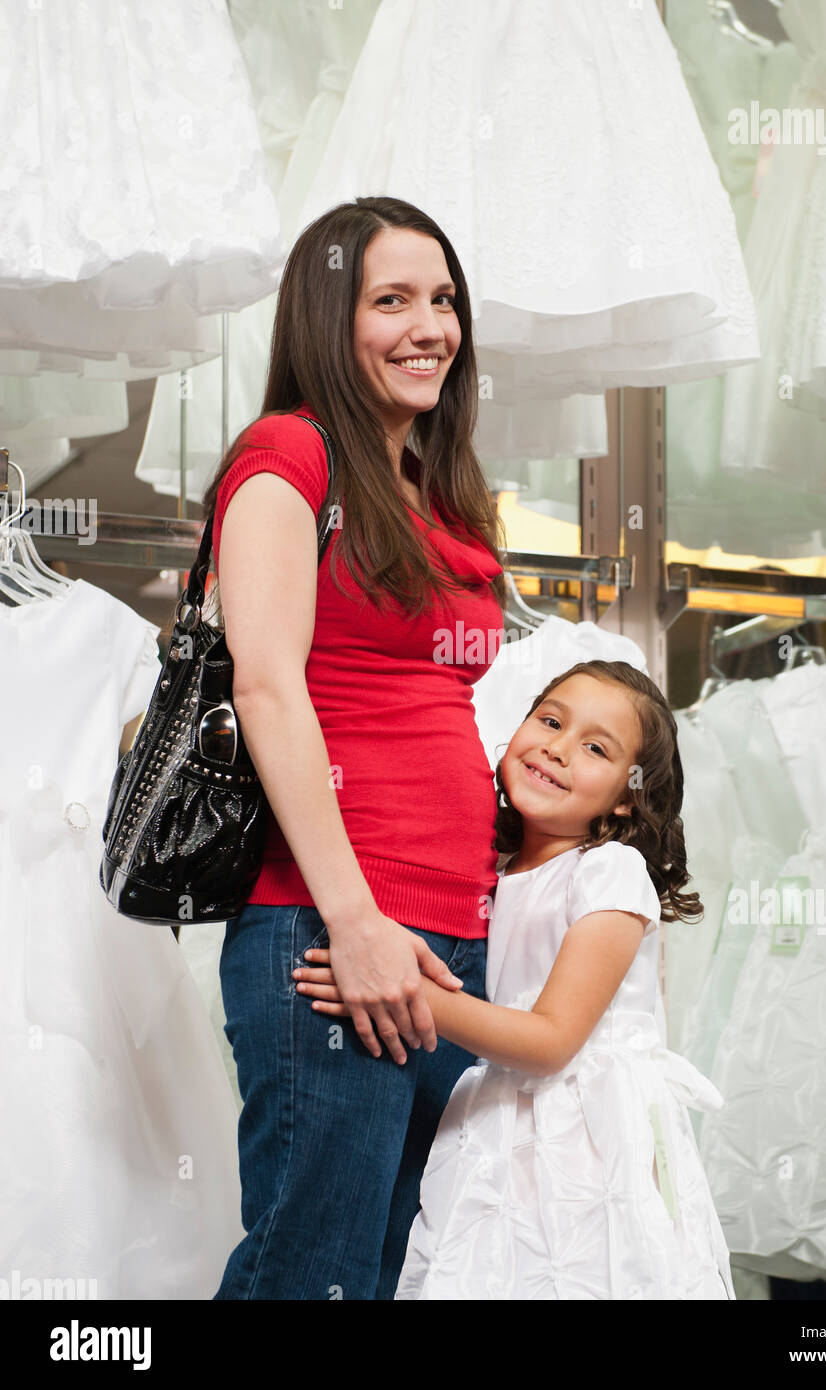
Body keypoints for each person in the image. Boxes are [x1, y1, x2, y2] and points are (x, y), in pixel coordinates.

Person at [204, 195, 508, 1300]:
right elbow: (269, 687)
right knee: (312, 1274)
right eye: (391, 300)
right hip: (338, 932)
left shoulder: (438, 490)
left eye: (443, 300)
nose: (428, 326)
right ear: (330, 319)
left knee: (386, 1275)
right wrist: (355, 920)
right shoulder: (289, 453)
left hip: (445, 938)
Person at [297, 660, 737, 1299]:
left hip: (583, 1133)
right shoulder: (493, 868)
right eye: (550, 721)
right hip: (503, 1119)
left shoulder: (609, 871)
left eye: (593, 748)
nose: (558, 748)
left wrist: (401, 989)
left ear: (627, 795)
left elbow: (552, 1040)